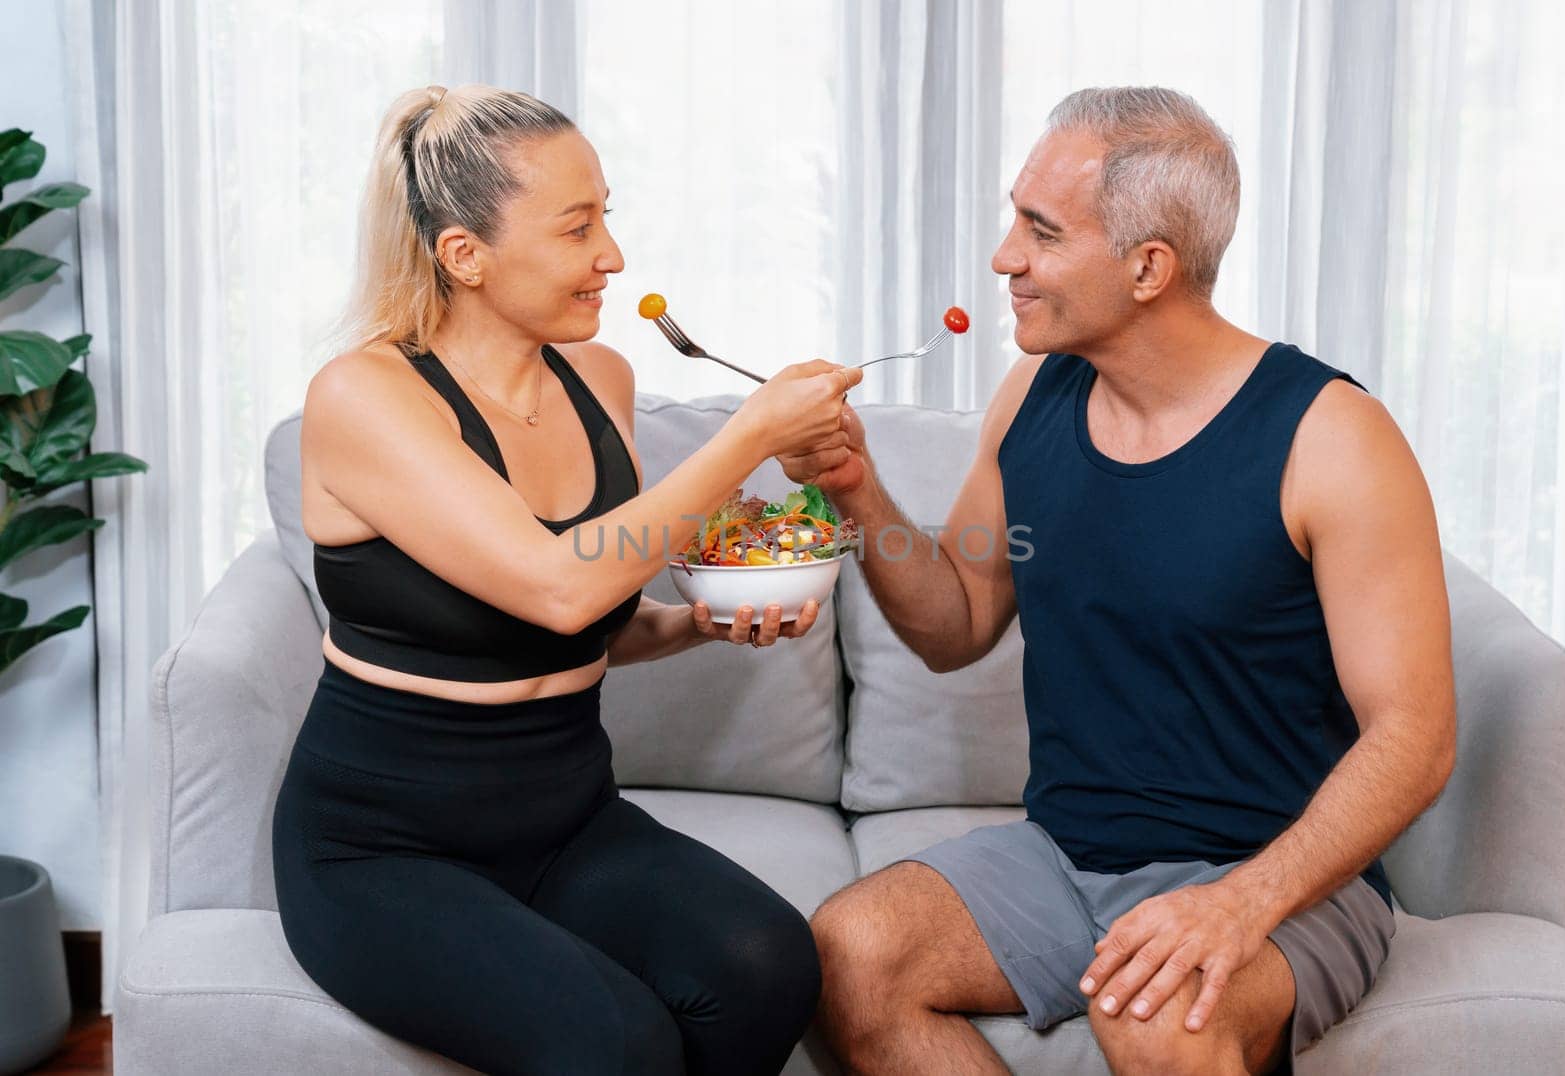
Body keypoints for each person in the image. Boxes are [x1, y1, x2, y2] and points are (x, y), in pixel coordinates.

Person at [782, 86, 1455, 1074]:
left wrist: (1243, 901)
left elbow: (1416, 735)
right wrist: (855, 486)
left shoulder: (1329, 435)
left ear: (1147, 267)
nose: (1005, 256)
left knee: (1157, 1013)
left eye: (1041, 232)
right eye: (1014, 217)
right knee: (851, 954)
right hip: (1066, 851)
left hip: (1281, 873)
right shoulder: (1032, 397)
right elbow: (955, 621)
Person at [270, 84, 861, 1076]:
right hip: (385, 847)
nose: (613, 258)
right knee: (617, 1041)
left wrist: (697, 625)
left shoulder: (600, 378)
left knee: (769, 964)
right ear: (466, 255)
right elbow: (556, 585)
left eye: (607, 217)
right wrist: (750, 432)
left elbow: (587, 625)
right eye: (577, 226)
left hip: (565, 814)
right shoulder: (364, 396)